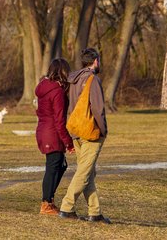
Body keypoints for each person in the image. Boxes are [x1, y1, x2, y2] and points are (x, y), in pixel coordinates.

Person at [58, 48, 111, 224]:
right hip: (90, 132)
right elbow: (98, 108)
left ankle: (94, 212)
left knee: (88, 171)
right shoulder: (92, 79)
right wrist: (103, 129)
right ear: (95, 61)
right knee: (84, 172)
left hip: (75, 131)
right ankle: (67, 206)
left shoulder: (73, 79)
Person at [35, 58, 74, 215]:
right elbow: (59, 120)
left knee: (61, 165)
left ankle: (49, 200)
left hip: (44, 130)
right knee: (52, 167)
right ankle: (46, 203)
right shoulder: (57, 91)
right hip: (52, 132)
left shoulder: (44, 87)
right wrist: (68, 142)